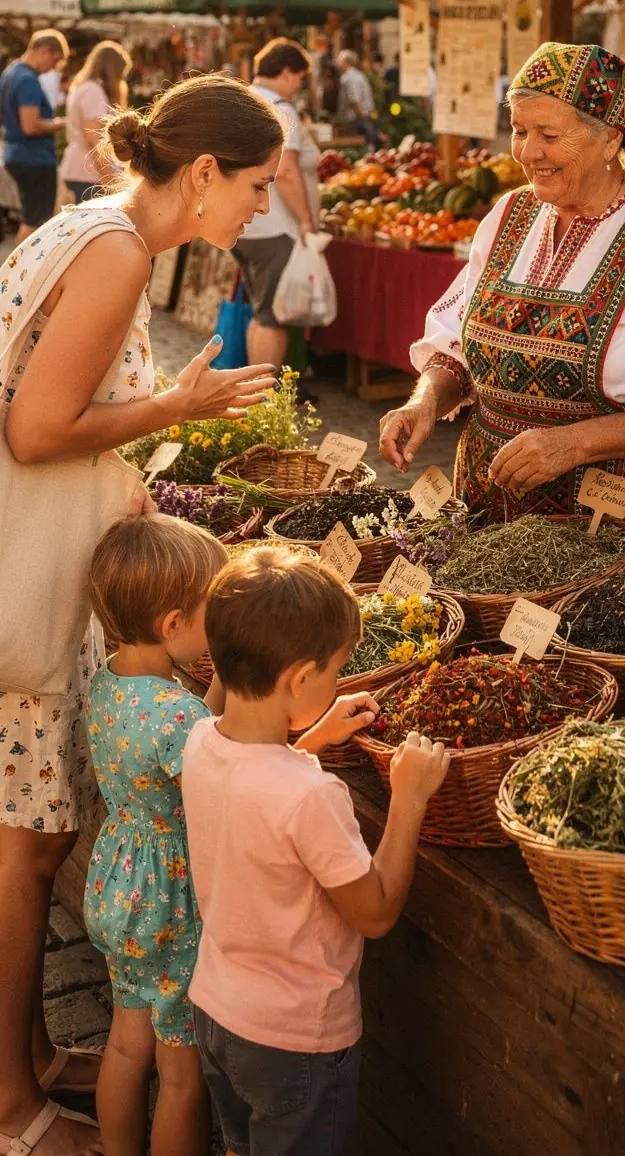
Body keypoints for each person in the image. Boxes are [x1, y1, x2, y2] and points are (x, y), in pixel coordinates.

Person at [0, 72, 284, 1156]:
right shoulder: (119, 251)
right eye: (255, 184)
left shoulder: (91, 226)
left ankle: (31, 1057)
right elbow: (35, 432)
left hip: (38, 558)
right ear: (204, 171)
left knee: (32, 844)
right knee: (30, 850)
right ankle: (12, 1110)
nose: (262, 205)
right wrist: (177, 405)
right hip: (31, 577)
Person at [380, 42, 625, 567]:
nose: (528, 152)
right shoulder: (508, 215)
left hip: (622, 523)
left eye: (550, 136)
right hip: (494, 513)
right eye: (519, 131)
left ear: (611, 138)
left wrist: (573, 444)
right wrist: (425, 402)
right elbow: (457, 340)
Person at [183, 546, 450, 1156]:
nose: (336, 682)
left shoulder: (199, 740)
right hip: (294, 1043)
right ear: (300, 679)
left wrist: (313, 735)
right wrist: (409, 798)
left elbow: (255, 790)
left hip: (217, 1014)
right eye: (334, 670)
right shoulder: (312, 796)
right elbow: (375, 912)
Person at [85, 515, 228, 1156]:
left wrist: (218, 683)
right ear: (173, 625)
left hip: (120, 884)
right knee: (181, 1074)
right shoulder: (178, 715)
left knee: (125, 1043)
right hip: (170, 903)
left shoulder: (109, 681)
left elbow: (188, 738)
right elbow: (219, 770)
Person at [233, 37, 319, 371]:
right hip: (277, 227)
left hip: (245, 223)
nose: (298, 86)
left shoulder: (243, 100)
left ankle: (256, 389)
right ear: (285, 72)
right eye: (299, 78)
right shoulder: (280, 109)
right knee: (273, 319)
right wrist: (306, 220)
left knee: (261, 313)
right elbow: (285, 171)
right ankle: (265, 395)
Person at [0, 29, 68, 242]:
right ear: (44, 51)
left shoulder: (10, 72)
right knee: (36, 223)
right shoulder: (27, 79)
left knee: (31, 218)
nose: (53, 68)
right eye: (55, 61)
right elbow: (30, 126)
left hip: (16, 153)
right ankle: (19, 264)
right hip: (34, 158)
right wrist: (62, 123)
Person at [60, 40, 132, 204]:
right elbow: (93, 139)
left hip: (80, 169)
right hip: (88, 174)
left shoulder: (82, 86)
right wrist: (109, 178)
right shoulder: (93, 91)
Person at [336, 48, 379, 147]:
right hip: (361, 118)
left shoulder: (350, 78)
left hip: (356, 120)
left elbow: (354, 101)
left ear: (346, 62)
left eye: (339, 61)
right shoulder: (358, 75)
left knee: (361, 147)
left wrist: (364, 118)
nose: (338, 64)